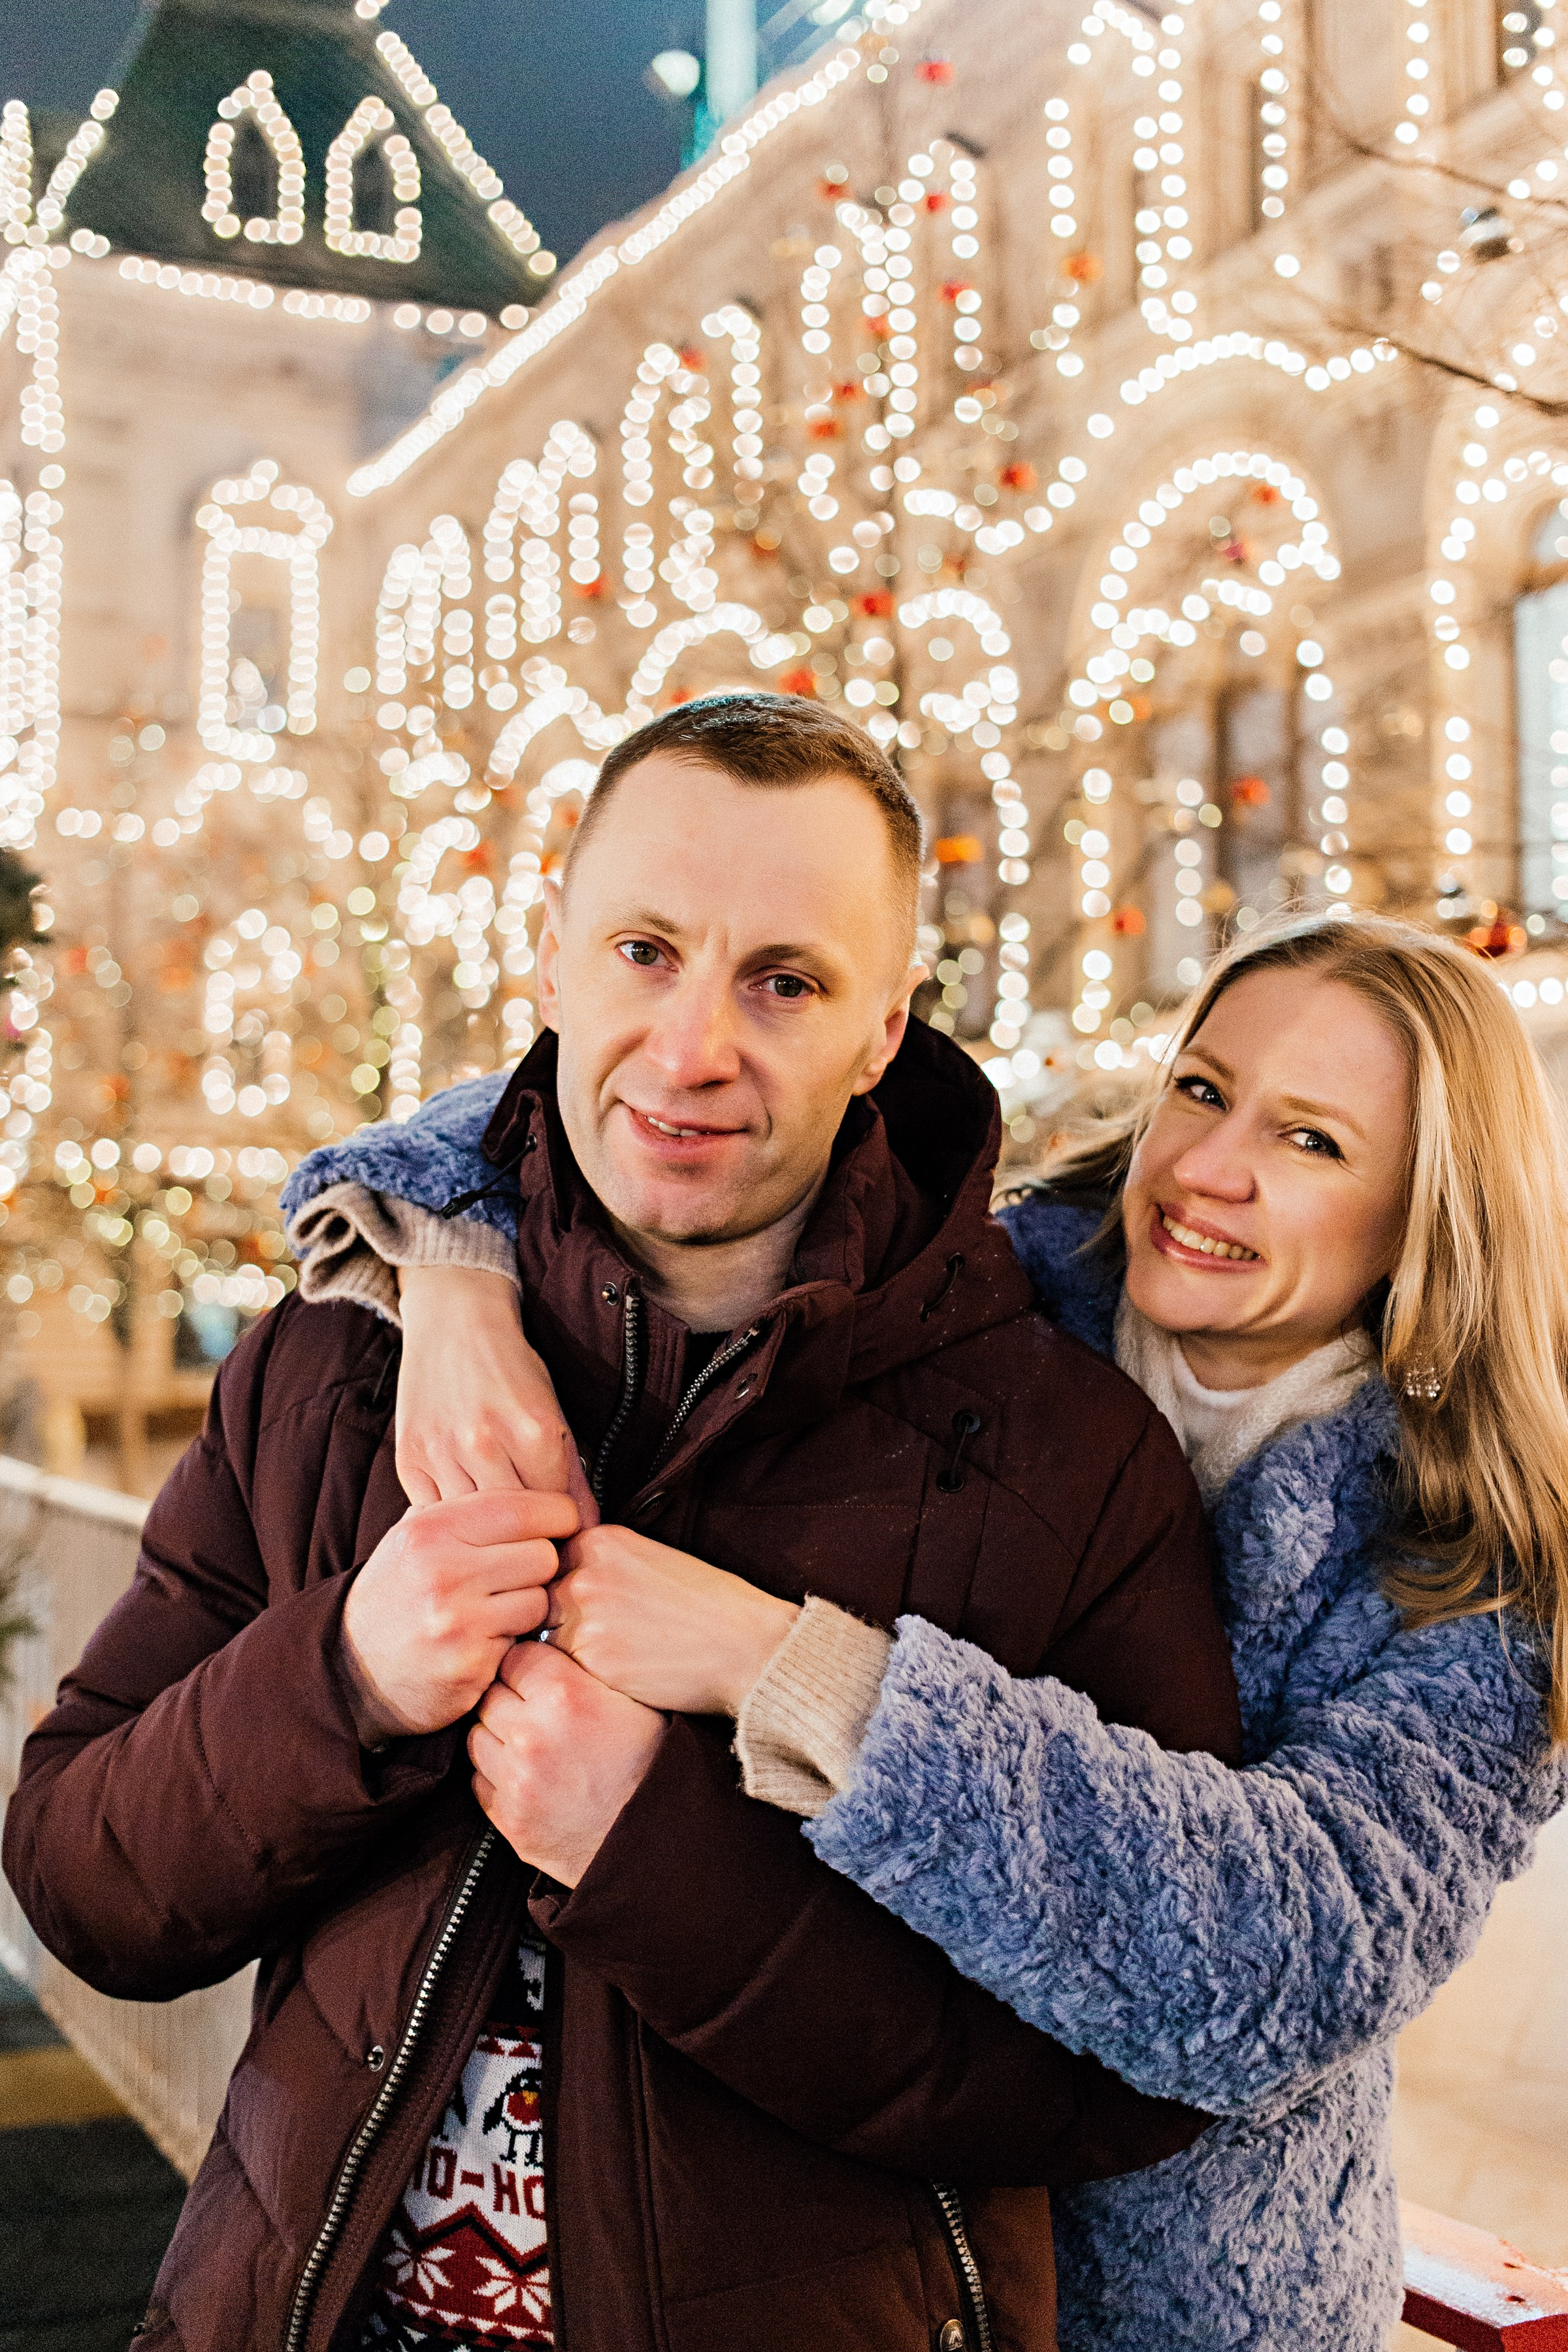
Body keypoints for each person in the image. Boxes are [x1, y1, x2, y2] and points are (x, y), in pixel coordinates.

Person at [4, 693, 1244, 2352]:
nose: (693, 1046)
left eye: (784, 982)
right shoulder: (330, 1368)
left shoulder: (1067, 1455)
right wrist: (346, 1678)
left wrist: (655, 1855)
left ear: (886, 1029)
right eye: (646, 950)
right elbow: (83, 1883)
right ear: (551, 956)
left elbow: (1122, 2071)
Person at [286, 908, 1568, 2351]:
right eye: (1203, 1090)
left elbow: (1283, 1958)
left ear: (1430, 1212)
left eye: (1311, 1142)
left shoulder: (1486, 1563)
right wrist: (461, 1279)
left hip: (1173, 2307)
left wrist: (791, 1670)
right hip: (858, 2241)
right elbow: (641, 1113)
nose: (1209, 1170)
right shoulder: (981, 1301)